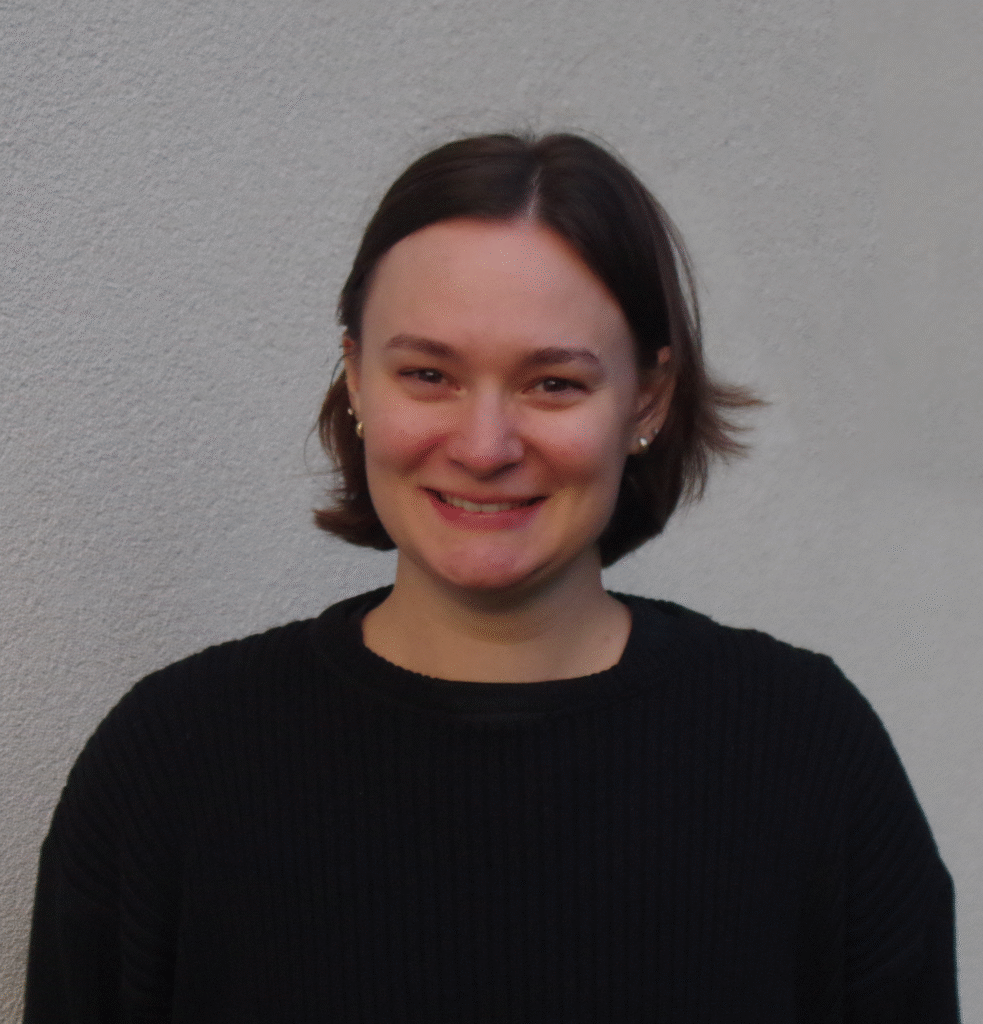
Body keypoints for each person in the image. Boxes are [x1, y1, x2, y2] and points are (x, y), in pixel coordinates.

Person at [25, 133, 959, 1022]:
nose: (483, 446)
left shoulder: (805, 754)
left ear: (647, 399)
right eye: (428, 374)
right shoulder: (171, 766)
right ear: (356, 378)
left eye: (552, 383)